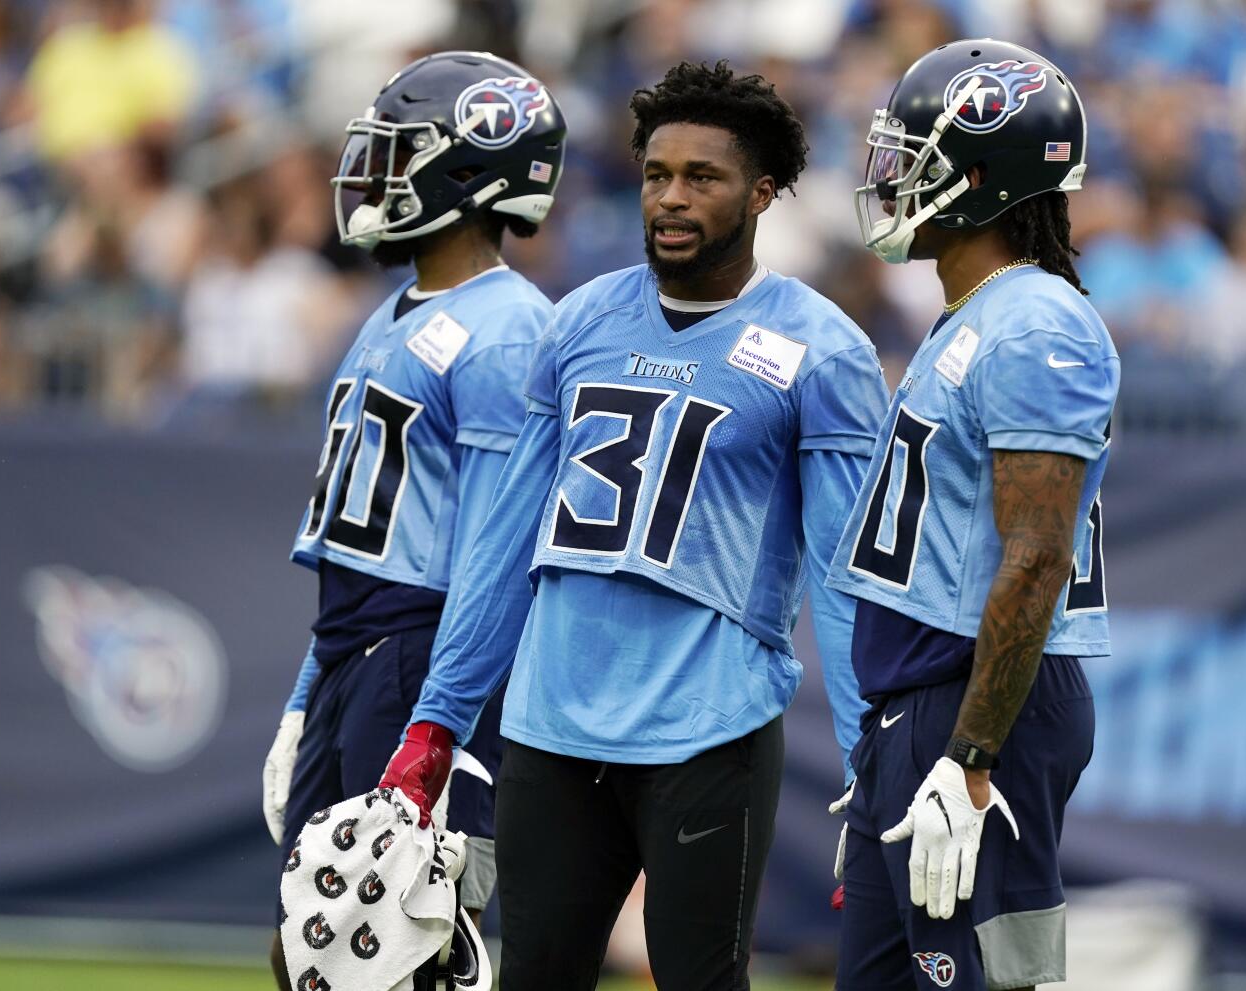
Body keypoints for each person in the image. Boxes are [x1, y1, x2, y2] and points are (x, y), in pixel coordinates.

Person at [378, 61, 888, 990]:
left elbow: (846, 575)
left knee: (699, 979)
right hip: (551, 722)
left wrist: (870, 757)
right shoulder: (577, 321)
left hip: (706, 725)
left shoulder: (823, 349)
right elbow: (501, 545)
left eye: (705, 176)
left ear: (763, 192)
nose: (672, 197)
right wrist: (437, 719)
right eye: (658, 174)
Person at [257, 51, 566, 990]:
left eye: (403, 155)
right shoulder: (391, 309)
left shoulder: (507, 325)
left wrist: (445, 717)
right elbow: (354, 545)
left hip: (419, 649)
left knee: (397, 945)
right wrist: (308, 689)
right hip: (356, 647)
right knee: (309, 943)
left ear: (466, 172)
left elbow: (496, 550)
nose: (379, 175)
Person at [825, 40, 1119, 991]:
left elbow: (1036, 556)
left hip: (975, 709)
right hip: (920, 705)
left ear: (983, 177)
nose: (892, 177)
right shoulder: (979, 312)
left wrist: (970, 752)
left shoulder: (1037, 322)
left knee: (976, 981)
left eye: (916, 154)